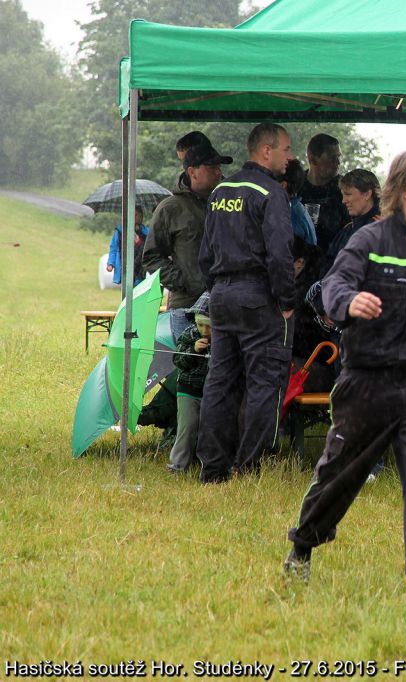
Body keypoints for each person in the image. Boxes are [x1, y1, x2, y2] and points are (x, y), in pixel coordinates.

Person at [284, 150, 406, 597]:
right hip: (368, 383)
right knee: (339, 474)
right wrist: (349, 302)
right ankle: (303, 546)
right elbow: (334, 285)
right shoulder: (369, 240)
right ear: (404, 190)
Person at [196, 122, 296, 483]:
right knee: (263, 383)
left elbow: (205, 255)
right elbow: (280, 254)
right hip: (259, 296)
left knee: (220, 382)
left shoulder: (220, 191)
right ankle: (248, 467)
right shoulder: (271, 193)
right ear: (266, 151)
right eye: (286, 149)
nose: (290, 157)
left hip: (222, 295)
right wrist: (287, 300)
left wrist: (220, 288)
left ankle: (213, 468)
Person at [144, 141, 231, 342]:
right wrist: (183, 281)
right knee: (189, 360)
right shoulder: (170, 208)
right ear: (193, 172)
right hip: (186, 307)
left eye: (219, 167)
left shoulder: (229, 204)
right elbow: (151, 257)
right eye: (212, 167)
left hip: (226, 304)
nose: (219, 173)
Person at [167, 292, 212, 473]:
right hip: (188, 390)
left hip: (211, 392)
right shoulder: (189, 334)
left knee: (210, 429)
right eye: (200, 325)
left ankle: (205, 463)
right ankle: (178, 465)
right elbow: (178, 360)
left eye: (209, 326)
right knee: (187, 428)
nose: (204, 330)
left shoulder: (223, 340)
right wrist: (193, 350)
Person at [323, 168, 382, 272]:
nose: (343, 201)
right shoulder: (348, 228)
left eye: (348, 194)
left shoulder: (384, 230)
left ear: (367, 194)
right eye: (343, 195)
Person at [299, 133, 350, 250]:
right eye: (332, 158)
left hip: (336, 256)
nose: (338, 162)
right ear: (312, 159)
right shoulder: (295, 187)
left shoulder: (345, 188)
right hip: (300, 256)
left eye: (339, 157)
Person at [106, 205, 148, 287]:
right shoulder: (120, 231)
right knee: (127, 290)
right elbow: (114, 249)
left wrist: (140, 242)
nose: (137, 218)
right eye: (135, 215)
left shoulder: (146, 232)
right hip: (125, 267)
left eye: (139, 215)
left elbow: (149, 248)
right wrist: (110, 263)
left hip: (141, 269)